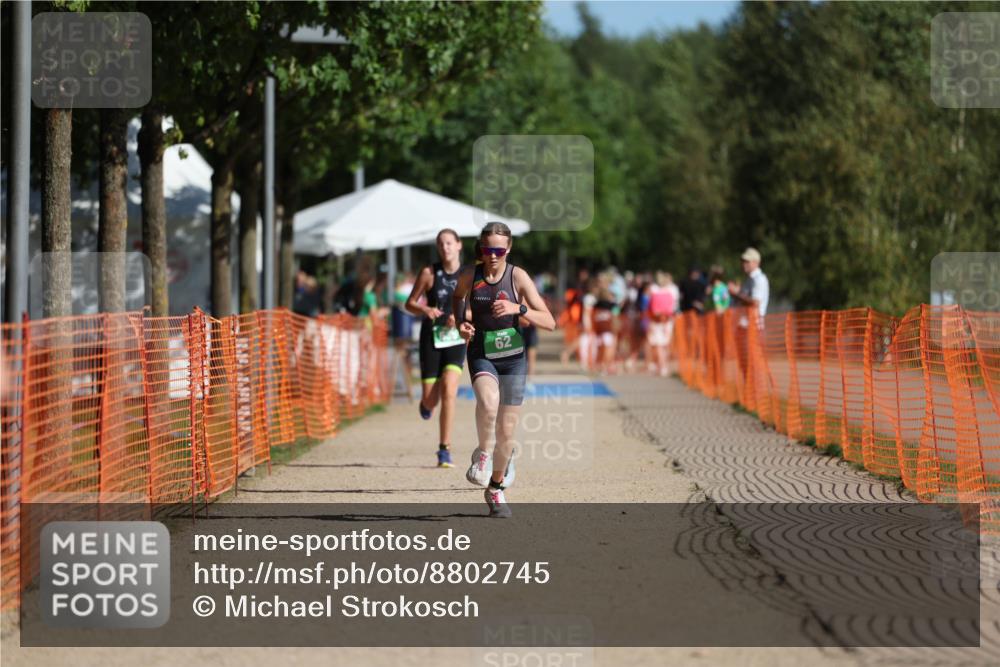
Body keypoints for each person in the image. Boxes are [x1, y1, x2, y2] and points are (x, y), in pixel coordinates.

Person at [452, 222, 555, 518]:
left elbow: (549, 322)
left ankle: (496, 488)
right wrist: (462, 322)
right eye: (488, 249)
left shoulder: (517, 276)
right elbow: (457, 297)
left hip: (513, 358)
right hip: (482, 351)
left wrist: (517, 309)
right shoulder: (471, 275)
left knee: (507, 432)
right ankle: (483, 453)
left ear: (508, 249)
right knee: (487, 402)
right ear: (481, 249)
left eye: (499, 250)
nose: (493, 255)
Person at [405, 229, 466, 468]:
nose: (445, 248)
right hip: (431, 338)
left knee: (450, 390)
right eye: (441, 244)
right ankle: (425, 404)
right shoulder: (429, 273)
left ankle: (444, 449)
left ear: (459, 245)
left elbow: (476, 309)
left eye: (449, 243)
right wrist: (425, 310)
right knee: (432, 400)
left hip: (456, 338)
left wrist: (459, 316)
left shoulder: (469, 275)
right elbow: (409, 303)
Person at [646, 271, 678, 376]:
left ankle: (662, 366)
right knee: (665, 345)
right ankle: (663, 366)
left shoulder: (654, 294)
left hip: (657, 322)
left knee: (659, 345)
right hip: (667, 321)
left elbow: (651, 309)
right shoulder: (670, 294)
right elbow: (672, 309)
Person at [728, 247, 769, 321]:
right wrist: (738, 291)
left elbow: (755, 303)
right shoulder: (750, 279)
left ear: (756, 262)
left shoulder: (759, 279)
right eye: (743, 261)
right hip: (745, 326)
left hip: (753, 327)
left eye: (747, 261)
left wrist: (736, 294)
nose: (744, 264)